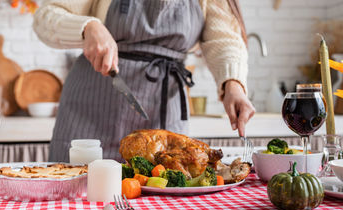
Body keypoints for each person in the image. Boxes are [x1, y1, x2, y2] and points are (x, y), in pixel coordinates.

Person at [33, 0, 255, 162]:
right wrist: (88, 27)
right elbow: (46, 16)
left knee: (165, 202)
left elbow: (225, 38)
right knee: (76, 203)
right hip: (91, 112)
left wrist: (233, 84)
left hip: (165, 113)